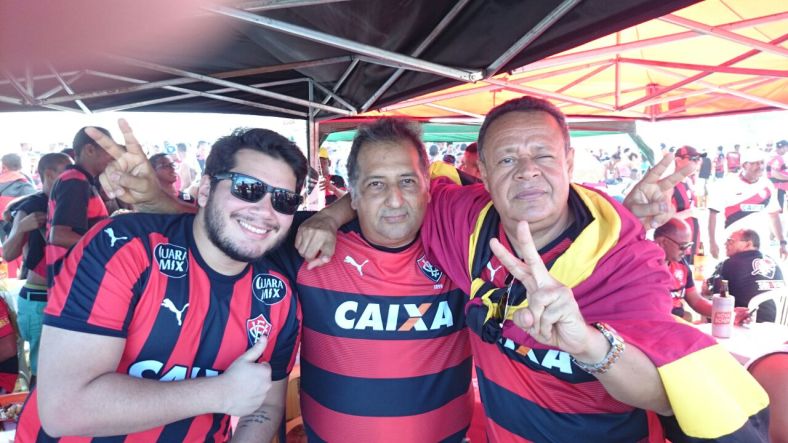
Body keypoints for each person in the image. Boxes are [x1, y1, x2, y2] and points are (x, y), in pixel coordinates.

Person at [414, 97, 768, 441]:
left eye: (543, 155)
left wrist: (588, 345)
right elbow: (412, 185)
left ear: (569, 163)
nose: (527, 170)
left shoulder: (626, 261)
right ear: (485, 173)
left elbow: (664, 396)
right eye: (507, 159)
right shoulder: (464, 222)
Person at [16, 121, 306, 442]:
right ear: (205, 190)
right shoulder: (126, 249)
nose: (265, 210)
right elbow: (64, 410)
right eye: (246, 188)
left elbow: (266, 405)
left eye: (284, 200)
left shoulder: (278, 297)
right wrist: (219, 392)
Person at [278, 119, 473, 441]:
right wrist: (328, 218)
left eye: (407, 181)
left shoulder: (458, 244)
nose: (395, 200)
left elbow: (498, 195)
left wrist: (333, 213)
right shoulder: (308, 243)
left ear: (427, 187)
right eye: (376, 185)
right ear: (352, 196)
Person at [2, 153, 72, 386]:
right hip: (40, 298)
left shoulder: (75, 202)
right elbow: (8, 253)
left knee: (66, 370)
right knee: (43, 373)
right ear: (49, 174)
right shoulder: (32, 206)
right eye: (67, 171)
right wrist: (22, 227)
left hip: (66, 297)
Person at [45, 127, 115, 279]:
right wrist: (109, 248)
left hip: (75, 278)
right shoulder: (75, 180)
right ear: (89, 150)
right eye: (108, 149)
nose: (112, 157)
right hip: (73, 280)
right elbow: (59, 236)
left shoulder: (81, 180)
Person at [707, 148, 787, 260]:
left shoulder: (767, 185)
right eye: (755, 163)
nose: (760, 166)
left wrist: (782, 242)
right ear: (744, 165)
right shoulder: (726, 184)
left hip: (760, 245)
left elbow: (774, 215)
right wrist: (712, 242)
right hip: (734, 244)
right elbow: (713, 215)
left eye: (762, 162)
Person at [705, 229, 785, 323]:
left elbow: (715, 295)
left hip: (747, 323)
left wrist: (707, 287)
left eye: (730, 241)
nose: (725, 244)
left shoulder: (731, 263)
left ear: (748, 244)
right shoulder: (773, 261)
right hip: (776, 324)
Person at [670, 146, 703, 262]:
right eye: (693, 159)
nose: (697, 162)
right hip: (675, 247)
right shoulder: (668, 185)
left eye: (698, 159)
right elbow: (662, 219)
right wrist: (689, 213)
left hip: (691, 244)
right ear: (678, 160)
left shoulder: (689, 182)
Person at [767, 139, 788, 212]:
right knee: (777, 210)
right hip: (777, 187)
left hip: (777, 187)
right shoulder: (777, 158)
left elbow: (779, 168)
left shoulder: (774, 156)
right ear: (784, 147)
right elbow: (774, 173)